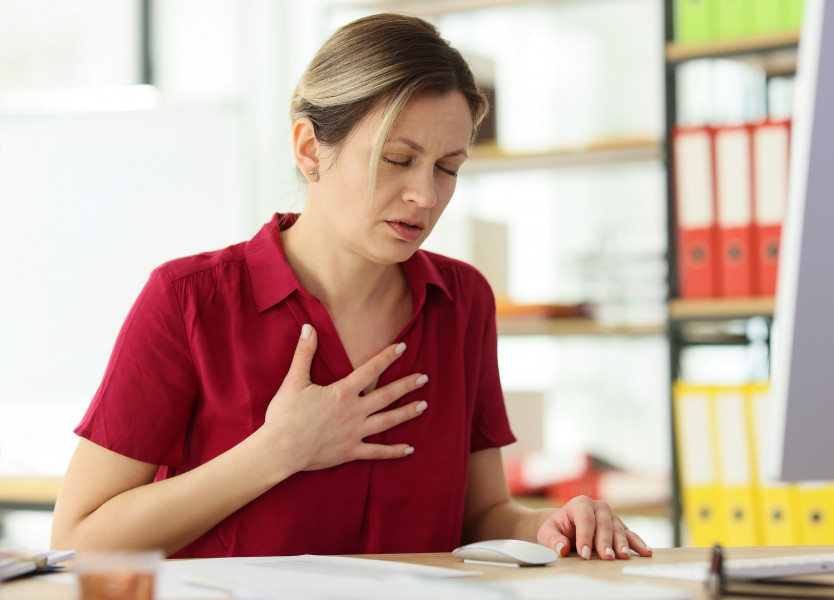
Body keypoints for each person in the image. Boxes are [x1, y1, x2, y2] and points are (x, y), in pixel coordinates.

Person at [51, 12, 653, 562]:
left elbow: (481, 514)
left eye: (448, 168)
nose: (426, 195)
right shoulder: (188, 299)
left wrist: (548, 526)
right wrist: (276, 452)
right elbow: (79, 542)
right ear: (310, 149)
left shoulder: (463, 301)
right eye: (397, 159)